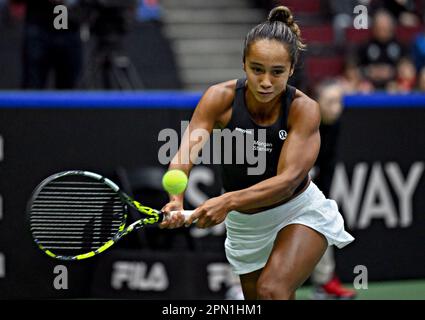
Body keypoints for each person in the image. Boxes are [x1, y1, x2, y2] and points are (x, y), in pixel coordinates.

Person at [159, 6, 354, 300]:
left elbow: (286, 181)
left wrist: (227, 201)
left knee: (272, 290)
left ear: (291, 69)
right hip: (246, 226)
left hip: (298, 211)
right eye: (257, 69)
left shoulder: (304, 110)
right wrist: (176, 199)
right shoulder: (219, 98)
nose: (265, 81)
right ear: (243, 64)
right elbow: (184, 153)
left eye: (277, 72)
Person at [310, 80, 357, 300]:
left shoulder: (334, 125)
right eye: (330, 102)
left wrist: (321, 200)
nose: (336, 107)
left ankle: (324, 283)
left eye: (339, 102)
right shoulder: (304, 122)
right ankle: (239, 287)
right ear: (316, 102)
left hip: (308, 186)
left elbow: (326, 167)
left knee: (324, 221)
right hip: (277, 183)